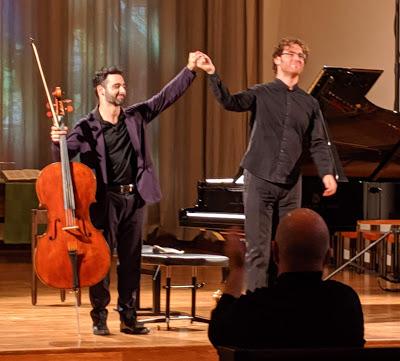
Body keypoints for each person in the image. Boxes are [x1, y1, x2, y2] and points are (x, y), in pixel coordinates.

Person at [50, 52, 203, 335]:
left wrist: (190, 70)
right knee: (100, 261)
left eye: (123, 85)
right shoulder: (85, 127)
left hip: (134, 198)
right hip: (103, 200)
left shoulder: (135, 116)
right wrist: (58, 139)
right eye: (116, 86)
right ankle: (99, 317)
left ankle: (128, 317)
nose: (123, 90)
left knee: (131, 260)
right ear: (101, 90)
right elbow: (63, 158)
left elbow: (165, 97)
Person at [196, 38, 338, 291]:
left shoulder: (309, 104)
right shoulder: (261, 93)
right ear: (277, 59)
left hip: (291, 183)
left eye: (301, 56)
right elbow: (230, 102)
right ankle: (256, 304)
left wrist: (327, 173)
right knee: (259, 249)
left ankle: (286, 303)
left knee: (289, 249)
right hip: (259, 177)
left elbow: (319, 142)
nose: (297, 59)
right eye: (291, 54)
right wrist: (212, 74)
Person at [208, 208, 365, 349]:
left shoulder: (255, 308)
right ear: (327, 257)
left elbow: (218, 333)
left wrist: (237, 269)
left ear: (275, 253)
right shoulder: (345, 302)